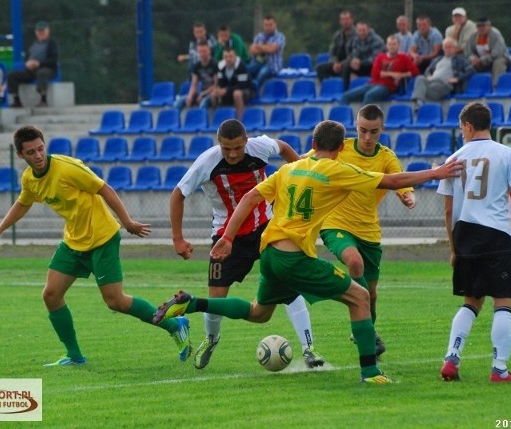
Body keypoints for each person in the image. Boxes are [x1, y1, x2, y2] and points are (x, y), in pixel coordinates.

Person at [154, 120, 462, 384]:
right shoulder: (338, 170)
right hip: (293, 257)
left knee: (259, 313)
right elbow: (394, 181)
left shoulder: (292, 169)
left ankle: (192, 304)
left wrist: (228, 238)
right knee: (360, 297)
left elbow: (248, 197)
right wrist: (436, 174)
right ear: (342, 147)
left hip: (271, 252)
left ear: (313, 143)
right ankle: (370, 372)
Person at [0, 125, 192, 366]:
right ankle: (74, 356)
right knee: (51, 294)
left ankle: (176, 325)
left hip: (102, 238)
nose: (38, 156)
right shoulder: (29, 178)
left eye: (40, 149)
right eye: (31, 152)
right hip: (73, 241)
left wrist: (127, 222)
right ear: (20, 155)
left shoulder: (67, 168)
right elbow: (23, 203)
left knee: (116, 301)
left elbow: (105, 189)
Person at [170, 119, 326, 370]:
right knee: (216, 295)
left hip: (267, 227)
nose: (232, 154)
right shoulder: (207, 161)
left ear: (246, 141)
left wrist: (300, 173)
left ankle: (309, 349)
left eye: (238, 148)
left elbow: (284, 147)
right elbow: (178, 194)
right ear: (218, 144)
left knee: (290, 282)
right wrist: (178, 238)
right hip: (226, 236)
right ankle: (211, 338)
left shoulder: (260, 147)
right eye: (226, 148)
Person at [438, 101, 511, 383]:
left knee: (471, 301)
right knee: (502, 300)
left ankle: (451, 360)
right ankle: (499, 369)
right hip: (496, 234)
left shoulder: (453, 159)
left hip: (465, 234)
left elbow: (448, 210)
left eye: (462, 128)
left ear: (468, 126)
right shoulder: (508, 154)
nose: (462, 133)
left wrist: (453, 248)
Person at [308, 104, 415, 357]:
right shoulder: (340, 148)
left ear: (382, 130)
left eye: (373, 132)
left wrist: (408, 196)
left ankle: (366, 333)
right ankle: (364, 330)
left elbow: (400, 180)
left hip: (369, 231)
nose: (367, 137)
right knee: (354, 263)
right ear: (356, 127)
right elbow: (306, 160)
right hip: (336, 223)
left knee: (372, 294)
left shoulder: (386, 156)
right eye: (363, 130)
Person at [341, 35, 418, 105]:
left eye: (394, 44)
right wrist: (392, 74)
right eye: (390, 44)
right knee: (345, 96)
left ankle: (364, 119)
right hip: (372, 84)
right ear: (386, 45)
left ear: (399, 45)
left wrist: (401, 75)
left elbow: (415, 72)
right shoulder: (380, 57)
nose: (392, 47)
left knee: (369, 95)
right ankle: (342, 119)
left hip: (387, 86)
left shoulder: (404, 57)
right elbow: (374, 73)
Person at [7, 21, 59, 108]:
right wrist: (27, 64)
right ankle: (16, 100)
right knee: (12, 76)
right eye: (39, 31)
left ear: (47, 31)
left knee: (41, 73)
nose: (41, 33)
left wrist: (39, 63)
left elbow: (53, 60)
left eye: (43, 31)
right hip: (31, 70)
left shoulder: (52, 44)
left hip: (48, 69)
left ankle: (43, 99)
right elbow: (27, 58)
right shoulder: (33, 45)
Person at [411, 37, 474, 107]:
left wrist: (457, 79)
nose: (448, 49)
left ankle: (419, 103)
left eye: (450, 47)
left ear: (455, 48)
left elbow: (470, 70)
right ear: (443, 49)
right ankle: (419, 103)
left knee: (421, 90)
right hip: (431, 82)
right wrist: (429, 76)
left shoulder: (460, 59)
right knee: (420, 78)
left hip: (445, 85)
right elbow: (427, 70)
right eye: (446, 47)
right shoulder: (437, 59)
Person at [465, 18, 511, 88]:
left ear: (489, 26)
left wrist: (482, 60)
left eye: (483, 26)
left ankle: (497, 86)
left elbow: (498, 53)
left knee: (498, 62)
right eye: (479, 26)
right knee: (466, 64)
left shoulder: (495, 34)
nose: (481, 28)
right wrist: (473, 58)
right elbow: (468, 52)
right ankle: (472, 87)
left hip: (500, 58)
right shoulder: (473, 37)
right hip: (481, 61)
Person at [211, 47, 256, 120]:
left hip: (246, 90)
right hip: (229, 91)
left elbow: (242, 85)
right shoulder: (220, 66)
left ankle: (239, 121)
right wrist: (218, 89)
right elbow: (220, 82)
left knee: (237, 93)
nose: (228, 59)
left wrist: (226, 90)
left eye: (231, 56)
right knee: (213, 94)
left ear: (235, 56)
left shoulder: (241, 66)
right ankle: (218, 119)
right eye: (226, 57)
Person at [174, 41, 217, 111]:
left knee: (203, 102)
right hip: (202, 92)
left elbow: (216, 85)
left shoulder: (214, 64)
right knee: (179, 101)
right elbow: (194, 84)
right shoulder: (196, 66)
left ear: (209, 51)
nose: (202, 54)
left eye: (204, 51)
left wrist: (203, 94)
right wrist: (190, 96)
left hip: (212, 93)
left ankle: (200, 120)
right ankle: (175, 119)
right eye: (200, 52)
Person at [342, 21, 386, 89]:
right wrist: (355, 59)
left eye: (364, 30)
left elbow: (375, 58)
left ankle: (373, 87)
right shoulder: (356, 39)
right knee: (346, 65)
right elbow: (355, 52)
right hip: (361, 64)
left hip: (374, 66)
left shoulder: (377, 40)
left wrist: (361, 62)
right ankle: (345, 89)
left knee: (375, 64)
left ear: (368, 30)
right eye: (359, 30)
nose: (361, 33)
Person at [316, 10, 356, 82]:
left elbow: (355, 53)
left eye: (347, 19)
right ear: (340, 22)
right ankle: (328, 88)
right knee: (320, 68)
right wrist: (335, 63)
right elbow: (332, 52)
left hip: (351, 64)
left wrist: (342, 64)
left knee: (346, 68)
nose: (345, 22)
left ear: (352, 20)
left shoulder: (358, 35)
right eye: (343, 20)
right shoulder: (337, 36)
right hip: (337, 64)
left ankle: (344, 90)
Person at [247, 15, 286, 88]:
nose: (268, 27)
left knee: (262, 73)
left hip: (272, 65)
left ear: (275, 24)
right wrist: (267, 46)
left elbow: (272, 49)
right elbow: (252, 51)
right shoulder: (259, 36)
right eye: (266, 25)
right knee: (246, 69)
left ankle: (253, 89)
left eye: (270, 25)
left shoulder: (280, 36)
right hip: (258, 63)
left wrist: (259, 46)